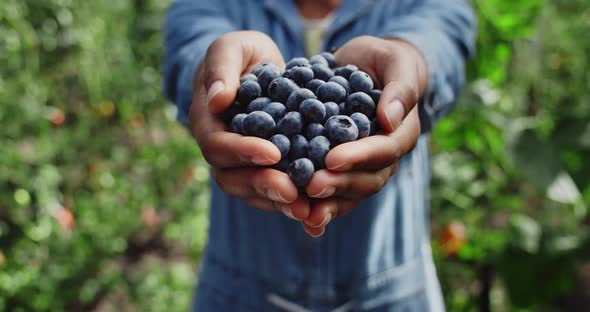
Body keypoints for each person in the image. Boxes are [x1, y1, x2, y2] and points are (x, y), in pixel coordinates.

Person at [164, 0, 475, 310]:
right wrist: (210, 76)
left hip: (392, 292)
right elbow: (191, 38)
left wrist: (413, 60)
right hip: (240, 293)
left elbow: (444, 29)